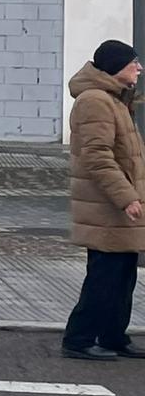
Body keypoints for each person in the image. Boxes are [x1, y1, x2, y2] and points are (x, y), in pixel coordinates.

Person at [62, 39, 145, 361]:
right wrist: (126, 197)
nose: (138, 68)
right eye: (133, 63)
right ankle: (78, 339)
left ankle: (112, 336)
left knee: (123, 275)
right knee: (104, 277)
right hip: (107, 206)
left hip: (119, 205)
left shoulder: (115, 99)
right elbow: (97, 156)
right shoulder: (95, 101)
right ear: (115, 67)